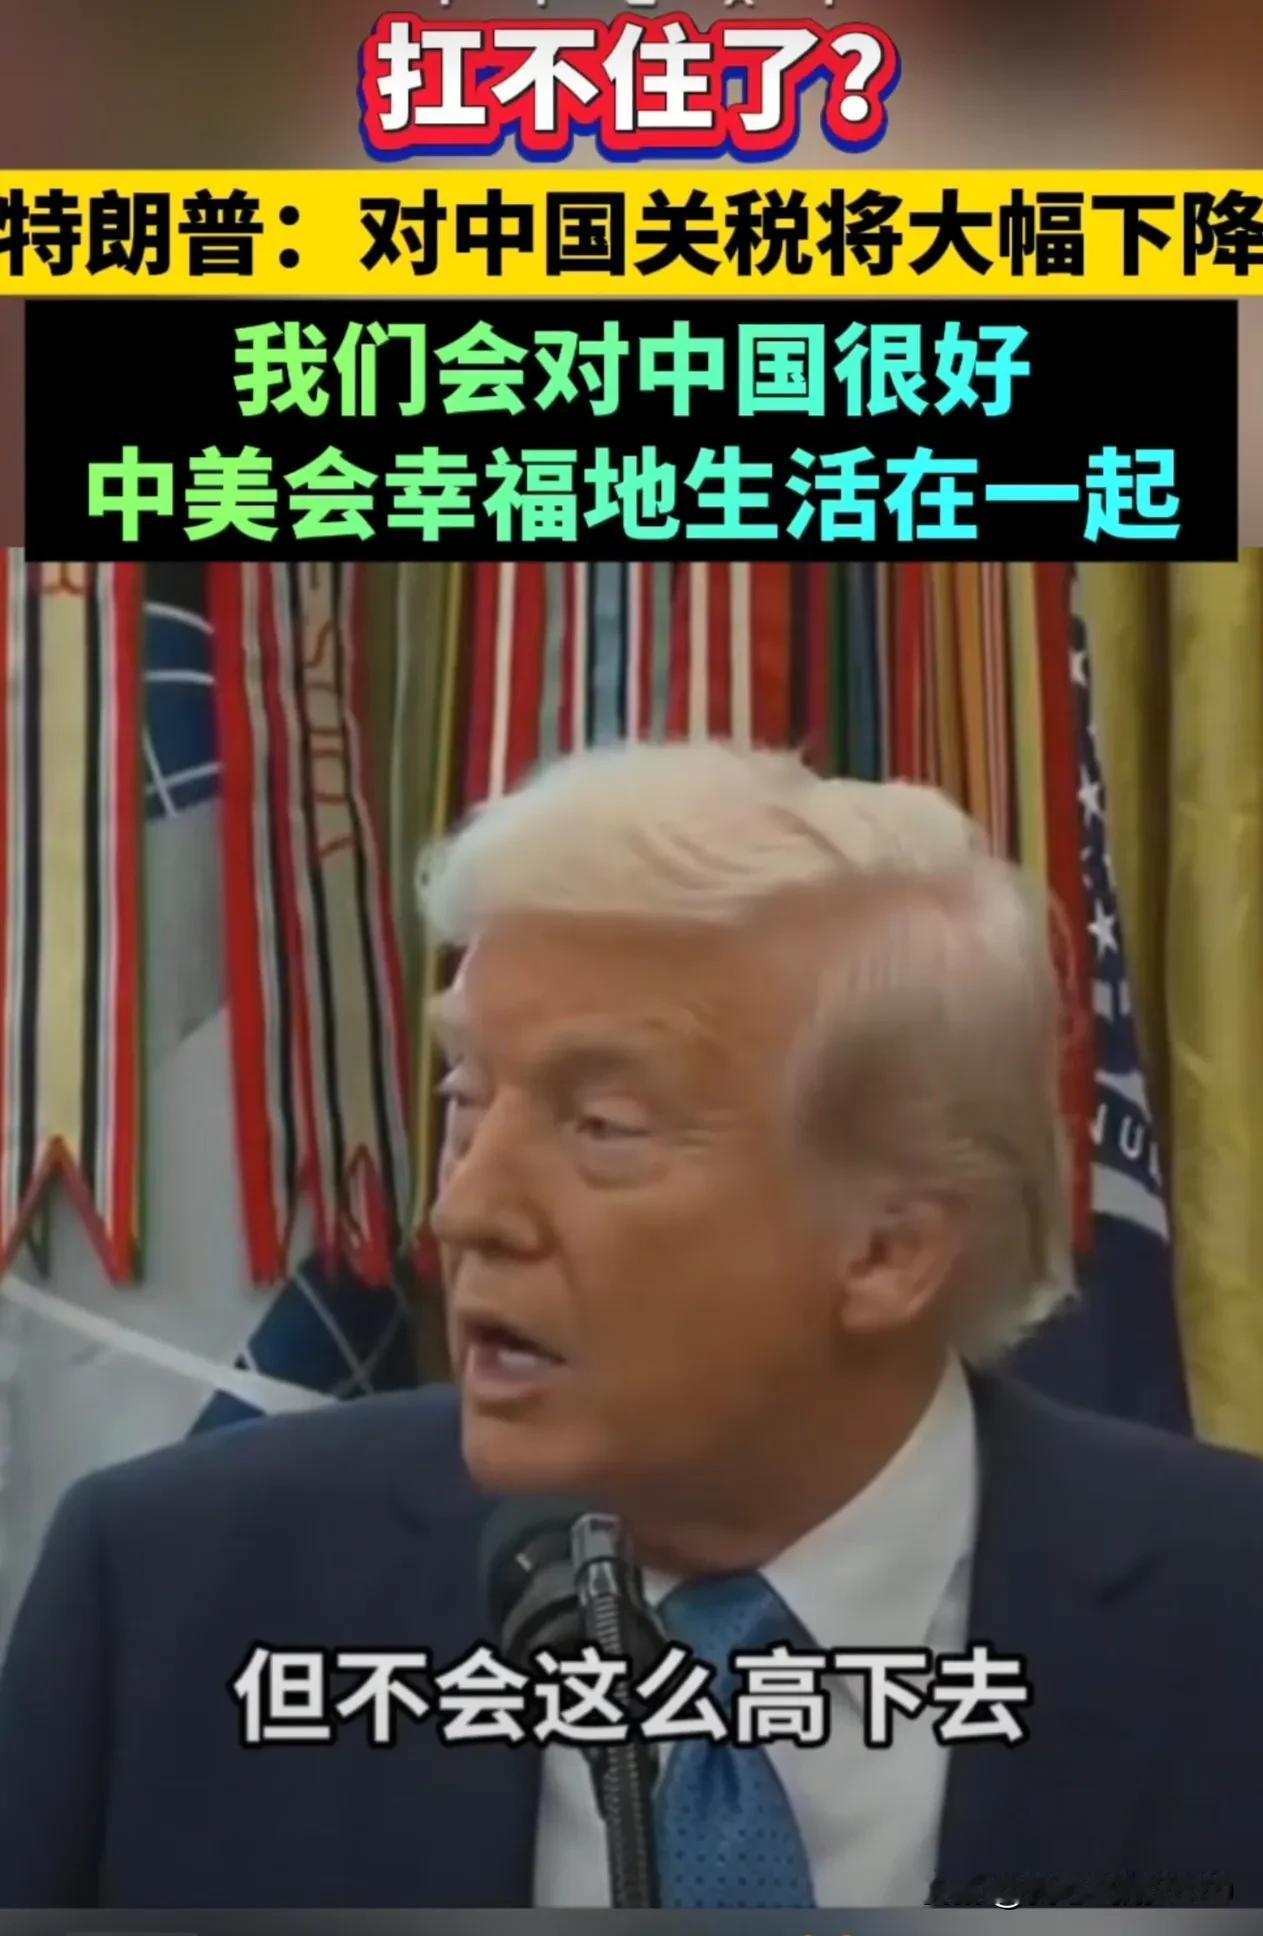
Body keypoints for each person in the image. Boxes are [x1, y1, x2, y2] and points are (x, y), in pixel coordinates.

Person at [0, 739, 1260, 1910]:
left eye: (600, 1126)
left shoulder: (1227, 1618)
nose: (465, 1209)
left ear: (889, 1249)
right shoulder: (170, 1600)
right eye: (465, 1098)